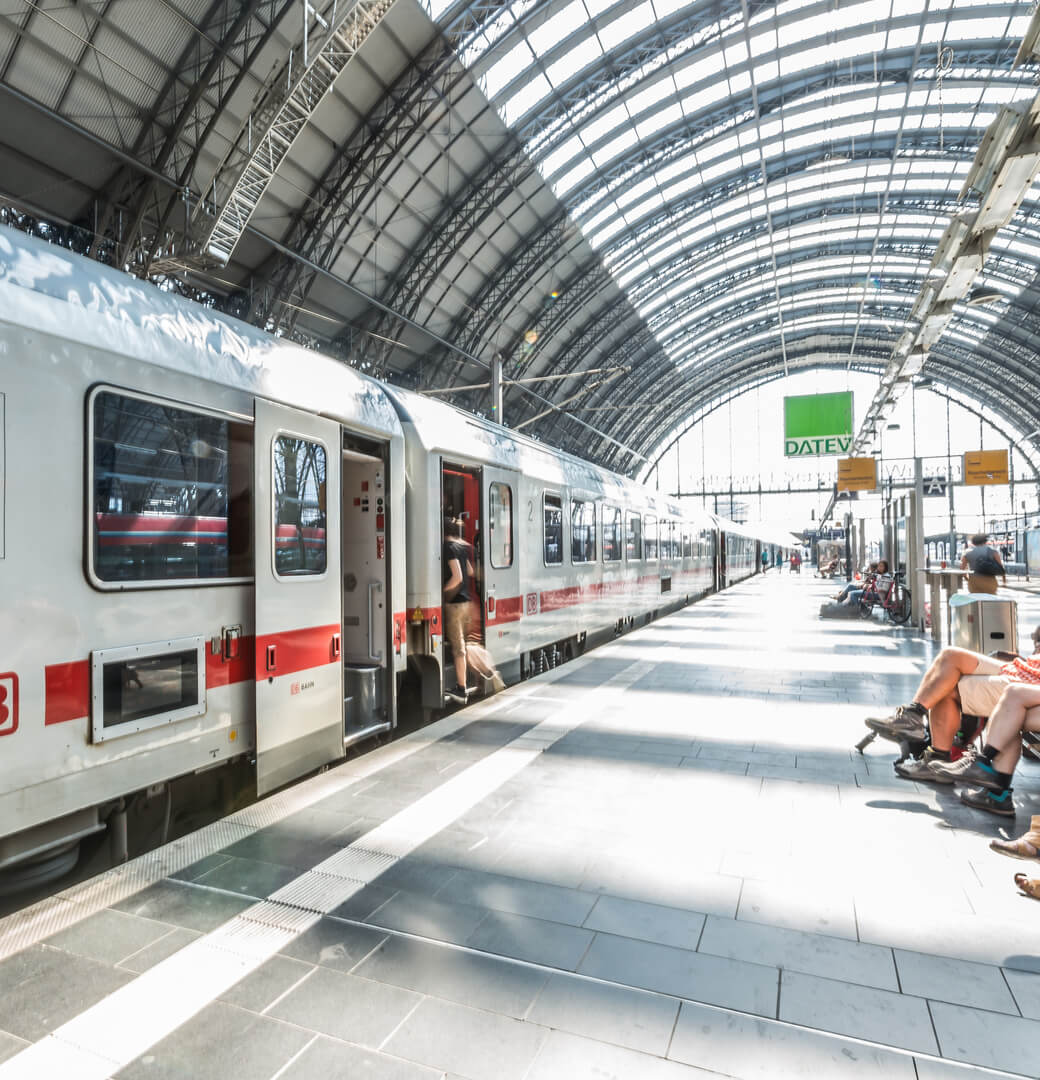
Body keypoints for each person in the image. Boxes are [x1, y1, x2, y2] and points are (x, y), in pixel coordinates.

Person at [863, 624, 1040, 804]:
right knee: (950, 656)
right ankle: (913, 716)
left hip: (1031, 682)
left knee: (947, 686)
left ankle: (938, 754)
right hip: (1027, 669)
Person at [442, 517, 504, 704]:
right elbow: (470, 571)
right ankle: (487, 675)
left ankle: (461, 689)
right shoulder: (463, 547)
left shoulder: (448, 547)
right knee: (469, 644)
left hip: (455, 605)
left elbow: (458, 577)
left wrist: (443, 593)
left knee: (459, 648)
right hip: (467, 603)